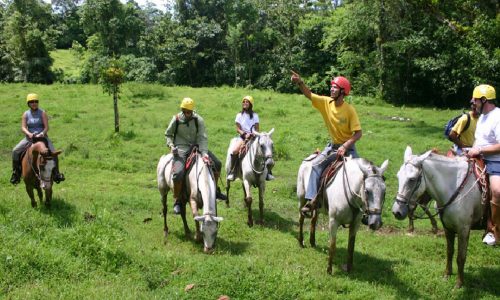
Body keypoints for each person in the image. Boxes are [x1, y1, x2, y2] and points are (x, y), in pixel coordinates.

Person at [291, 71, 362, 214]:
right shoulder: (326, 103)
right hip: (332, 147)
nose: (331, 89)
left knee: (362, 174)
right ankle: (312, 200)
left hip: (349, 148)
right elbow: (309, 94)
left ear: (342, 92)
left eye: (335, 87)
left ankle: (365, 211)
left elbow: (358, 133)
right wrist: (300, 82)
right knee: (315, 166)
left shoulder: (349, 110)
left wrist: (345, 146)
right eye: (332, 87)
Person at [165, 97, 227, 215]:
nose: (188, 114)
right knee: (177, 174)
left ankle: (215, 191)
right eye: (185, 111)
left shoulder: (199, 120)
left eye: (190, 112)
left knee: (217, 164)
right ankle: (177, 200)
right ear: (182, 110)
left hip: (197, 147)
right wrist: (171, 146)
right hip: (181, 149)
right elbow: (168, 134)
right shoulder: (176, 119)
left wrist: (204, 154)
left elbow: (202, 137)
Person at [466, 84, 499, 246]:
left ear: (484, 100)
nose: (473, 102)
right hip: (480, 157)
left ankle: (494, 231)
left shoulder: (498, 116)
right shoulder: (482, 117)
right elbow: (479, 141)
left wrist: (479, 150)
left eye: (476, 99)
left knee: (497, 190)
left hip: (496, 160)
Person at [10, 93, 65, 185]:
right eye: (31, 102)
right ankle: (16, 173)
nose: (34, 103)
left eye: (36, 101)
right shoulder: (25, 114)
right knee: (15, 151)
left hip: (42, 138)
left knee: (53, 152)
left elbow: (47, 127)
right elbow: (23, 127)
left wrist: (42, 133)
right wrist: (29, 134)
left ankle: (56, 173)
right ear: (28, 103)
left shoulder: (42, 113)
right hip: (29, 139)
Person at [227, 95, 274, 181]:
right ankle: (232, 171)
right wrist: (244, 134)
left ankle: (268, 173)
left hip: (254, 137)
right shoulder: (239, 115)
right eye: (243, 101)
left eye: (247, 102)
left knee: (263, 149)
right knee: (234, 151)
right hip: (242, 137)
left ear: (250, 104)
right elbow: (238, 129)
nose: (244, 103)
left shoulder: (255, 115)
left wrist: (253, 134)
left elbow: (257, 129)